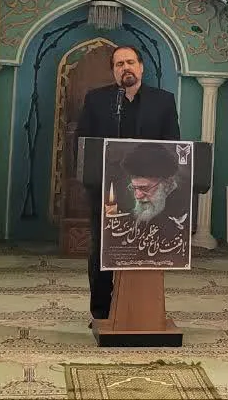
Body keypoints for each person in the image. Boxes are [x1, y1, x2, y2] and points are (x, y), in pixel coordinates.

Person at [76, 45, 180, 323]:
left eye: (130, 62)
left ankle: (141, 310)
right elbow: (83, 143)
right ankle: (101, 313)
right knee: (102, 249)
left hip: (148, 191)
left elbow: (172, 145)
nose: (126, 68)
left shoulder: (163, 101)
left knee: (145, 246)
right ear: (113, 71)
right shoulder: (97, 100)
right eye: (119, 64)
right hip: (106, 190)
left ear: (141, 67)